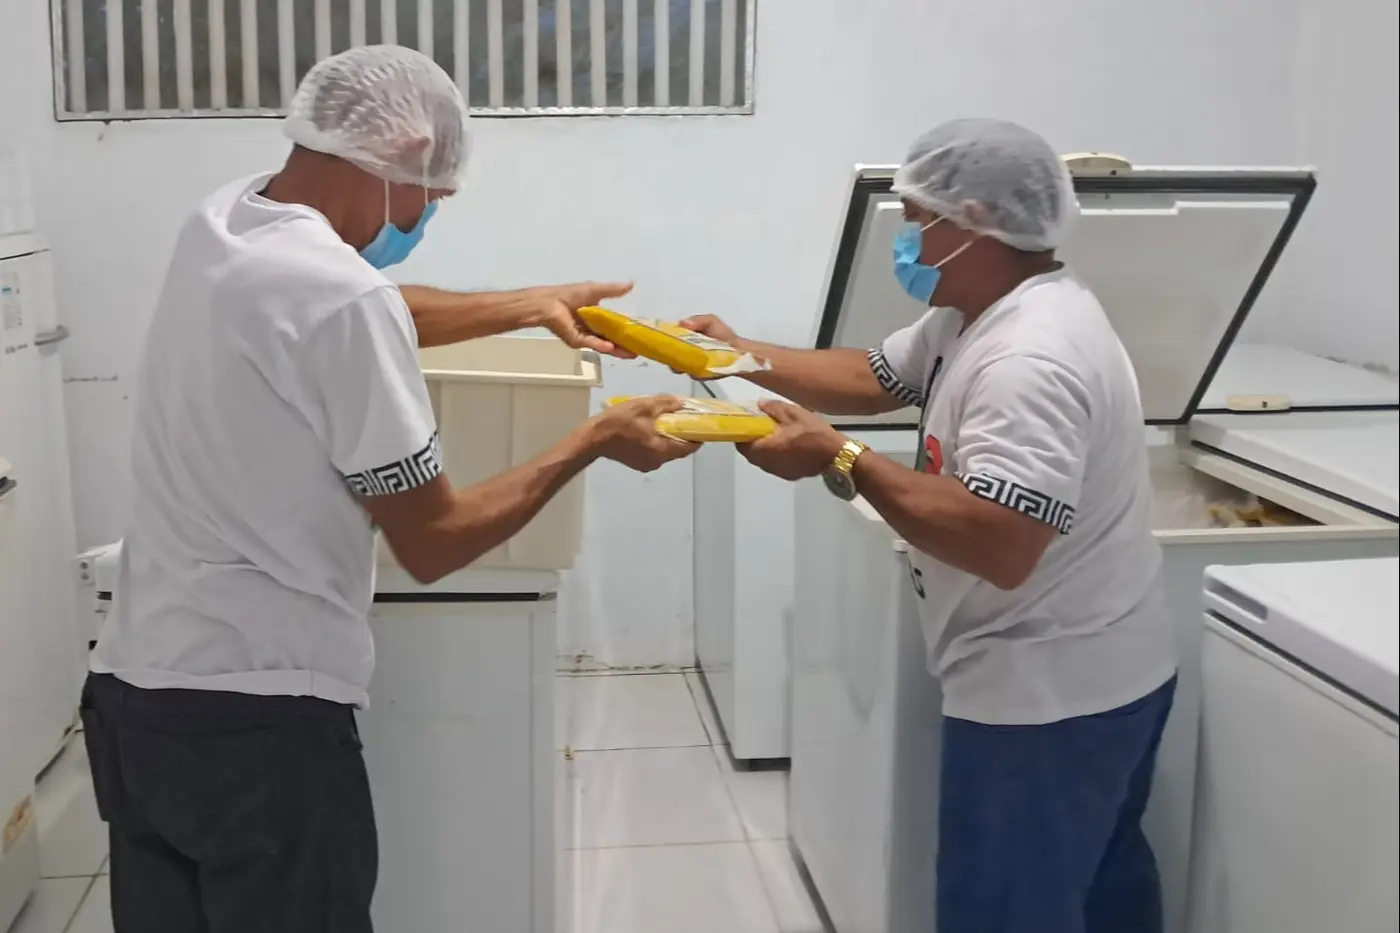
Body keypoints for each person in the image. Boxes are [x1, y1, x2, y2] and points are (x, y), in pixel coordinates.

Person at [80, 45, 695, 932]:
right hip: (260, 724)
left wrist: (529, 303)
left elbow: (359, 307)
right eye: (432, 196)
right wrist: (593, 439)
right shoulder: (340, 298)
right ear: (401, 153)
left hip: (135, 700)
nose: (427, 217)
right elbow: (433, 539)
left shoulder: (226, 219)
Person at [683, 119, 1178, 933]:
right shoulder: (975, 314)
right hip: (1104, 674)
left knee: (1009, 909)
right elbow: (870, 377)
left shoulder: (1030, 358)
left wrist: (837, 456)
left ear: (973, 221)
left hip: (1050, 696)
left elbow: (1001, 543)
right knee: (1097, 890)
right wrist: (733, 356)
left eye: (916, 219)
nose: (905, 238)